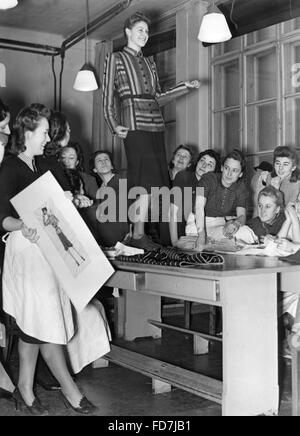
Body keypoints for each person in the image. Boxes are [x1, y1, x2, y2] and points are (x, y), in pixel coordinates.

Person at [0, 106, 98, 415]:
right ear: (27, 133)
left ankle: (25, 390)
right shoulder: (10, 167)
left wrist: (70, 201)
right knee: (45, 322)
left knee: (36, 323)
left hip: (48, 251)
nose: (47, 139)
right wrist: (21, 225)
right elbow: (2, 218)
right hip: (26, 252)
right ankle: (70, 391)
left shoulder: (40, 164)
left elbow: (50, 206)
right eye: (43, 132)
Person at [103, 12, 201, 251]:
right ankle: (136, 234)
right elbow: (107, 98)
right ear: (128, 31)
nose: (144, 35)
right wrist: (114, 125)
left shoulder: (150, 62)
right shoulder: (115, 58)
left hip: (156, 124)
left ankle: (138, 233)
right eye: (140, 30)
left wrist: (183, 88)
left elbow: (158, 97)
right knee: (143, 181)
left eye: (147, 31)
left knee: (153, 183)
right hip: (133, 124)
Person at [193, 149, 248, 251]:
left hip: (220, 225)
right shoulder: (207, 178)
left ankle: (214, 245)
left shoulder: (241, 187)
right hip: (198, 224)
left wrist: (235, 223)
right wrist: (201, 236)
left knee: (246, 233)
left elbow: (242, 216)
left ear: (240, 174)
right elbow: (199, 207)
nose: (229, 173)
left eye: (235, 170)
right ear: (222, 168)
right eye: (227, 168)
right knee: (233, 242)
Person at [169, 149, 221, 248]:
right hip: (177, 232)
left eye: (209, 164)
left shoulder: (213, 185)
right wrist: (174, 242)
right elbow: (172, 212)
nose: (204, 165)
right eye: (202, 161)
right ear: (197, 162)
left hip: (197, 233)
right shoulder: (183, 177)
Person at [91, 150, 130, 247]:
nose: (103, 162)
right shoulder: (98, 189)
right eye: (99, 160)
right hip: (105, 244)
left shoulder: (122, 182)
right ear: (94, 169)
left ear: (112, 166)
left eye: (106, 159)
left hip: (123, 241)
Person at [254, 146, 300, 214]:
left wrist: (276, 190)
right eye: (277, 163)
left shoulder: (296, 184)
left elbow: (287, 213)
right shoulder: (269, 177)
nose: (280, 168)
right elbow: (265, 206)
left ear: (293, 167)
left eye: (285, 164)